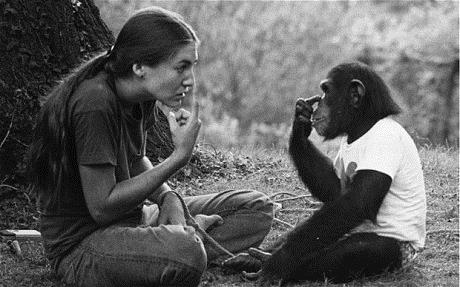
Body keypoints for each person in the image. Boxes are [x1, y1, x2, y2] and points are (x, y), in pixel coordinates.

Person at [28, 7, 274, 287]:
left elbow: (135, 160)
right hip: (84, 246)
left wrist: (168, 198)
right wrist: (177, 158)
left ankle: (170, 242)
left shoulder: (141, 95)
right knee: (187, 252)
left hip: (135, 220)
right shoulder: (94, 104)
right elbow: (102, 208)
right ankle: (180, 243)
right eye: (181, 67)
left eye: (192, 66)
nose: (190, 79)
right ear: (139, 68)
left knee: (256, 209)